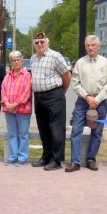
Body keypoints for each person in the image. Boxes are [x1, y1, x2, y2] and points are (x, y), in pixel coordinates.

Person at [66, 35, 107, 172]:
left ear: (98, 46)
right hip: (83, 100)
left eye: (93, 45)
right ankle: (75, 161)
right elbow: (75, 83)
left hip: (100, 101)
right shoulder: (80, 63)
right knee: (76, 130)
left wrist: (96, 100)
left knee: (97, 132)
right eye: (88, 45)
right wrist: (87, 97)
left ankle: (91, 159)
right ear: (85, 46)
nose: (90, 47)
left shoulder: (106, 63)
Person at [30, 32, 71, 171]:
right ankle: (46, 157)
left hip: (54, 96)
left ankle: (56, 160)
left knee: (56, 129)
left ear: (48, 42)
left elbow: (67, 75)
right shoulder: (33, 58)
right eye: (37, 42)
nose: (40, 44)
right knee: (43, 129)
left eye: (42, 42)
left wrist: (60, 92)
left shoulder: (55, 56)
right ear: (34, 44)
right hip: (39, 97)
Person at [0, 51, 32, 166]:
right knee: (12, 134)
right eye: (13, 60)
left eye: (18, 59)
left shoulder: (27, 75)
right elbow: (2, 90)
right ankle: (13, 156)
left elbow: (27, 92)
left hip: (23, 110)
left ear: (22, 60)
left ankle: (22, 158)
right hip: (9, 110)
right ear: (11, 62)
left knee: (23, 134)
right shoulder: (7, 76)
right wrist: (7, 104)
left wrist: (15, 104)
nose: (16, 61)